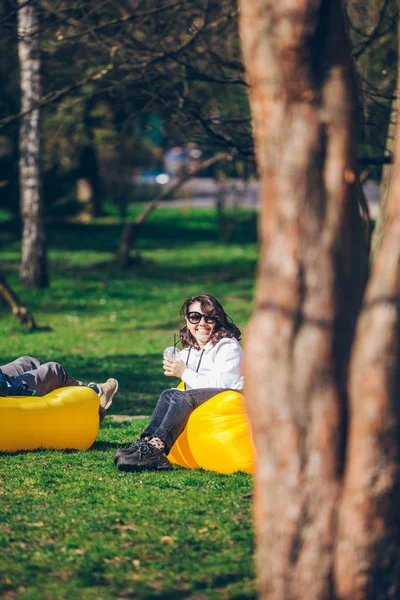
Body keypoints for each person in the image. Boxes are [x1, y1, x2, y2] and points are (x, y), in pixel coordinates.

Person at [114, 294, 243, 472]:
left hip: (233, 395)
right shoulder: (192, 350)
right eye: (195, 317)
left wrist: (183, 372)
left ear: (218, 320)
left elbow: (223, 384)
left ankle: (157, 449)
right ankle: (146, 443)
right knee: (169, 394)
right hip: (209, 397)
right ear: (187, 320)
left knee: (182, 398)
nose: (202, 323)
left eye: (209, 317)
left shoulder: (228, 346)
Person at [0, 356, 118, 422]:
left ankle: (88, 396)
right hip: (7, 389)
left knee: (27, 362)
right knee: (56, 371)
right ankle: (94, 395)